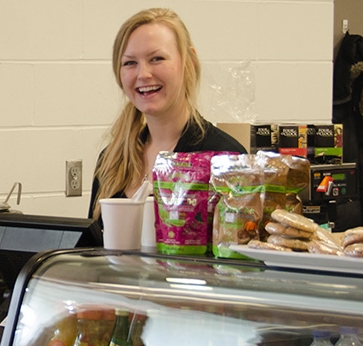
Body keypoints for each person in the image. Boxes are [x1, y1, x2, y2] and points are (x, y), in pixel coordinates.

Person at [88, 7, 245, 220]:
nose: (143, 74)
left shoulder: (225, 158)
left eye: (157, 58)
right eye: (130, 63)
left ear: (188, 61)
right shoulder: (111, 161)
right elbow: (90, 249)